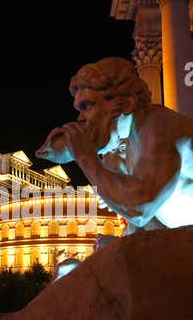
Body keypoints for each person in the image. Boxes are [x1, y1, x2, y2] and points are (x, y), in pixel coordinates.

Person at [36, 57, 193, 235]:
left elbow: (139, 208)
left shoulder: (161, 126)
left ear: (127, 104)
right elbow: (146, 217)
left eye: (88, 106)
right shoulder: (132, 142)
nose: (80, 118)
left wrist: (86, 157)